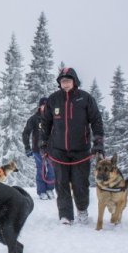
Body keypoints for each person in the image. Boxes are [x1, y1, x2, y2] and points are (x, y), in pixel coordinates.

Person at [40, 67, 104, 225]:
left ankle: (82, 210)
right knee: (61, 184)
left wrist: (98, 143)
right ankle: (65, 215)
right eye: (62, 81)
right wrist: (43, 143)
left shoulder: (85, 98)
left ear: (74, 81)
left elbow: (96, 121)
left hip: (81, 150)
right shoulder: (53, 99)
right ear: (59, 83)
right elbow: (46, 123)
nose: (65, 83)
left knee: (80, 183)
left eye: (68, 80)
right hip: (58, 150)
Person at [23, 97, 55, 200]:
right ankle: (42, 191)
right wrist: (27, 147)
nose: (45, 108)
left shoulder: (53, 118)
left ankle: (50, 189)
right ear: (40, 106)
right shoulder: (34, 119)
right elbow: (26, 133)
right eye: (43, 106)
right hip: (37, 149)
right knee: (40, 170)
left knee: (52, 169)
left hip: (51, 149)